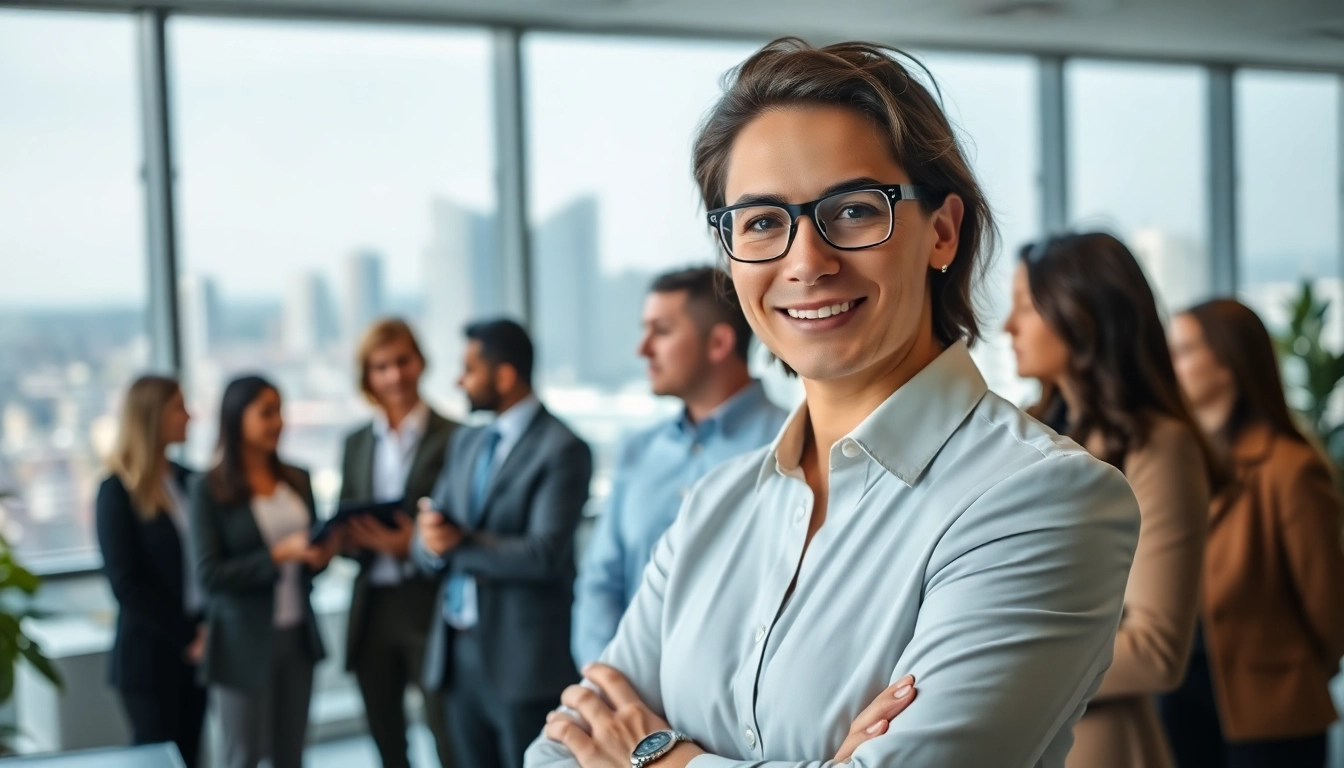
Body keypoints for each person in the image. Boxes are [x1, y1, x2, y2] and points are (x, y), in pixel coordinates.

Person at [524, 38, 1140, 768]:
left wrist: (659, 758)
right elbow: (558, 753)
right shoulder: (714, 506)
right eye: (761, 222)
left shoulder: (1043, 497)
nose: (807, 262)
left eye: (853, 210)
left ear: (942, 232)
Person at [1004, 232, 1218, 768]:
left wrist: (997, 670)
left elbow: (1155, 651)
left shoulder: (1159, 447)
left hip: (1098, 747)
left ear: (1079, 316)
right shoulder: (1022, 433)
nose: (1008, 327)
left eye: (1025, 307)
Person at [571, 267, 787, 668]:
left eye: (661, 331)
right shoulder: (637, 450)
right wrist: (607, 680)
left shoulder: (790, 445)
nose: (642, 349)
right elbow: (601, 581)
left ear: (719, 342)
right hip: (625, 684)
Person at [1161, 299, 1344, 768]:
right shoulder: (1176, 463)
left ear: (1229, 361)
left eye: (1182, 351)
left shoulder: (1290, 467)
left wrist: (1293, 674)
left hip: (1273, 709)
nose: (1168, 365)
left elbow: (1327, 607)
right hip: (1181, 698)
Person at [413, 319, 593, 768]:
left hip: (522, 663)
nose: (459, 381)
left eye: (469, 369)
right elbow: (427, 540)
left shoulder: (562, 448)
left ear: (506, 375)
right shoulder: (466, 440)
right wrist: (431, 543)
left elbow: (543, 555)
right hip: (456, 655)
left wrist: (455, 545)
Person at [190, 375, 341, 768]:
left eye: (280, 411)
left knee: (292, 755)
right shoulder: (208, 488)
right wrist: (276, 556)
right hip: (241, 642)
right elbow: (210, 575)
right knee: (243, 756)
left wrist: (319, 558)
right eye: (266, 413)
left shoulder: (297, 478)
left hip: (297, 635)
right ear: (236, 418)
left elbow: (306, 565)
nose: (278, 422)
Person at [339, 319, 459, 768]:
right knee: (387, 742)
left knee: (447, 735)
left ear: (421, 362)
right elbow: (346, 510)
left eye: (402, 361)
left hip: (429, 604)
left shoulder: (455, 436)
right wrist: (348, 538)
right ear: (367, 376)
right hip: (373, 607)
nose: (394, 376)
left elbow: (462, 524)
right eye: (381, 367)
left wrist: (409, 544)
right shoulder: (356, 443)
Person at [96, 375, 207, 768]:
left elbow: (204, 564)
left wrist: (203, 630)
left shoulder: (189, 480)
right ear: (152, 415)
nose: (189, 416)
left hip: (199, 647)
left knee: (191, 757)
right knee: (157, 759)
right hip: (150, 656)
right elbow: (126, 583)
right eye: (179, 407)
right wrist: (185, 636)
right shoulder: (117, 491)